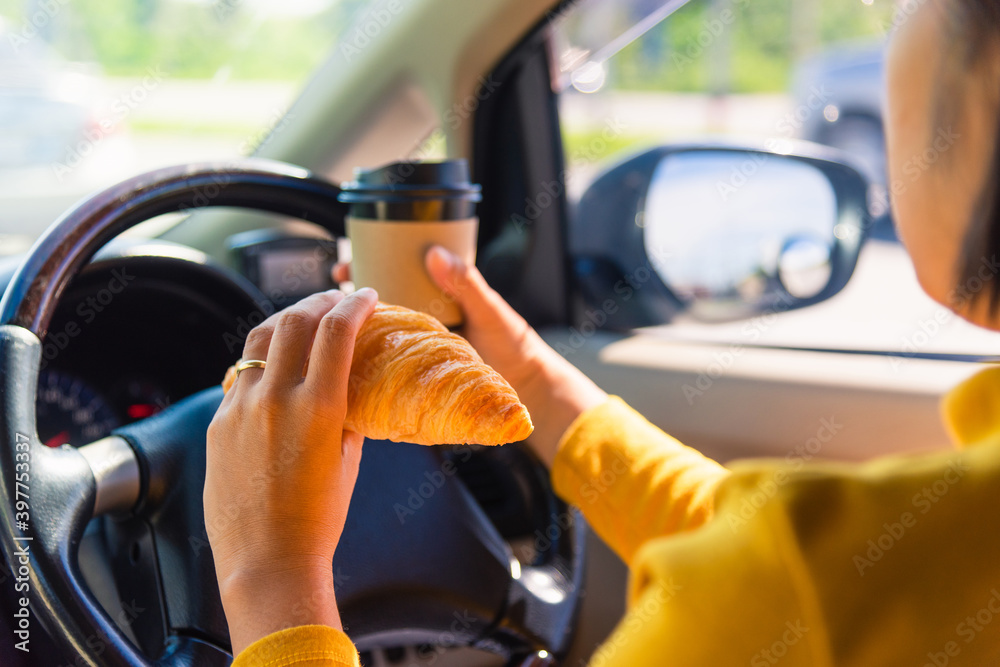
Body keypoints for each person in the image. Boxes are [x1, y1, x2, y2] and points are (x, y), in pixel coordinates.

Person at [204, 0, 1000, 664]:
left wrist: (272, 579)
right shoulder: (888, 561)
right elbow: (771, 542)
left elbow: (792, 571)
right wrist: (535, 386)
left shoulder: (803, 588)